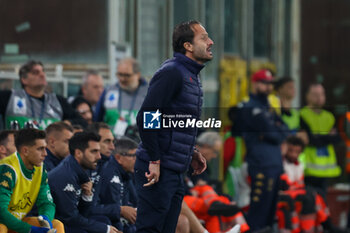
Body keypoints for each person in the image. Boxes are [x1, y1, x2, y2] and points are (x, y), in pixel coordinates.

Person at [134, 20, 212, 233]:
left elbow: (175, 122)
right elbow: (147, 116)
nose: (210, 42)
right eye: (204, 38)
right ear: (187, 46)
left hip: (176, 168)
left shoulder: (190, 75)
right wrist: (154, 159)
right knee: (150, 229)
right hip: (159, 169)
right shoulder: (173, 72)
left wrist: (191, 151)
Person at [238, 69, 289, 231]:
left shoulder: (267, 106)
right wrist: (274, 130)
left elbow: (283, 131)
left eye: (270, 84)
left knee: (270, 213)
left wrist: (274, 130)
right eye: (265, 83)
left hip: (274, 163)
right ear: (255, 84)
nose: (268, 88)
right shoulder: (249, 107)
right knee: (259, 211)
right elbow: (274, 134)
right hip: (261, 165)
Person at [48, 132, 119, 233]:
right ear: (78, 153)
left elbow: (84, 214)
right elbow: (70, 219)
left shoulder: (82, 168)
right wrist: (105, 229)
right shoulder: (65, 175)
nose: (99, 156)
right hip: (53, 224)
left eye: (99, 151)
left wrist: (87, 196)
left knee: (103, 220)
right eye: (94, 151)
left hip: (66, 222)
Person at [0, 128, 64, 233]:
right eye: (40, 149)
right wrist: (29, 229)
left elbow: (46, 202)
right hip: (3, 221)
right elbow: (1, 212)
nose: (45, 154)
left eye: (45, 148)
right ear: (25, 151)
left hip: (16, 222)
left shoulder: (40, 168)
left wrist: (45, 219)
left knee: (57, 225)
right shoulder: (7, 169)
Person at [183, 132, 249, 233]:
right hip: (186, 199)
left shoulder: (203, 165)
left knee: (219, 205)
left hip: (200, 201)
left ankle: (243, 230)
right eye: (214, 152)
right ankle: (245, 230)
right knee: (207, 193)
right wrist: (191, 191)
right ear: (205, 147)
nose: (214, 156)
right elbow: (180, 185)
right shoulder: (186, 158)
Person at [277, 136, 345, 233]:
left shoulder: (299, 164)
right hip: (284, 193)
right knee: (309, 197)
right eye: (290, 151)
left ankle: (324, 225)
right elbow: (285, 186)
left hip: (296, 191)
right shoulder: (280, 163)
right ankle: (308, 229)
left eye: (297, 152)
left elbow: (299, 183)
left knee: (317, 194)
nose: (293, 154)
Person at [0, 60, 87, 129]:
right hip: (17, 150)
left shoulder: (57, 100)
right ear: (24, 79)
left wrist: (66, 123)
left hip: (48, 150)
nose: (42, 75)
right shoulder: (10, 97)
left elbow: (82, 122)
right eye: (35, 72)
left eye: (42, 71)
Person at [300, 83, 341, 196]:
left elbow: (337, 138)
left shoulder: (329, 116)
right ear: (307, 96)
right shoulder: (302, 114)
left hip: (326, 169)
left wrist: (318, 137)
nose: (319, 98)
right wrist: (327, 136)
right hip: (308, 170)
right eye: (315, 94)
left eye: (322, 94)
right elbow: (312, 140)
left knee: (322, 204)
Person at [94, 57, 148, 137]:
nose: (122, 79)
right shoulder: (109, 91)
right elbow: (97, 121)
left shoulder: (149, 93)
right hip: (112, 146)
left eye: (127, 75)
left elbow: (153, 128)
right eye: (120, 74)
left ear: (138, 75)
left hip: (138, 146)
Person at [99, 137, 138, 232]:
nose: (136, 160)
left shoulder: (125, 174)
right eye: (133, 156)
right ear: (119, 158)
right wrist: (120, 210)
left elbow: (134, 201)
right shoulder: (110, 174)